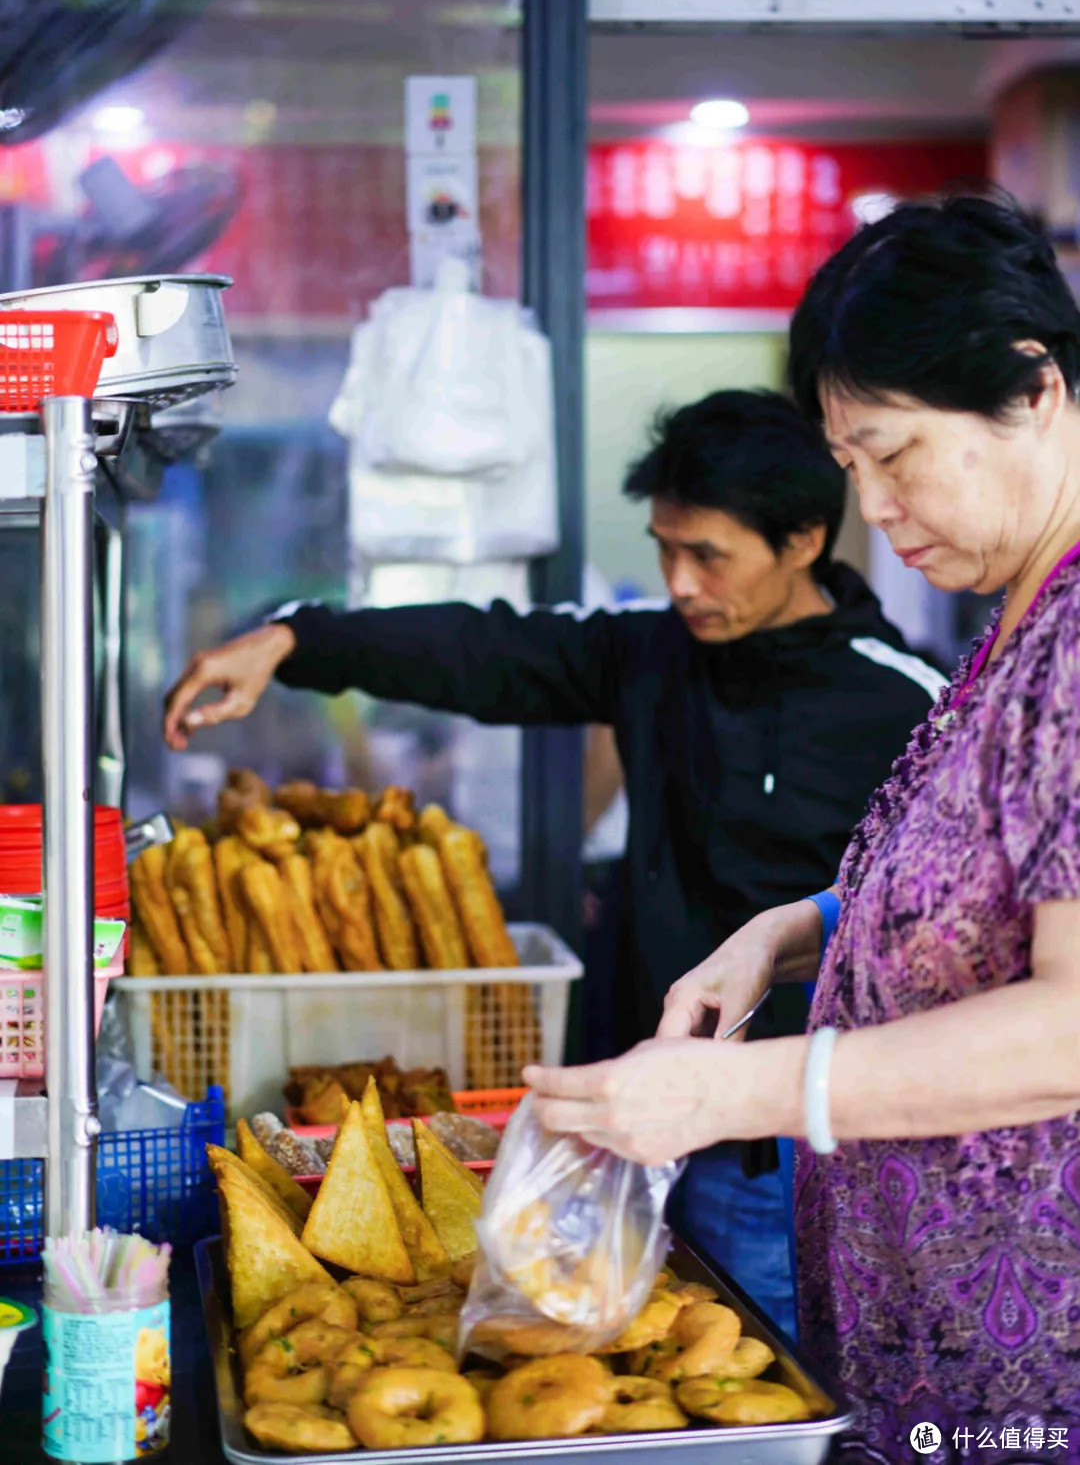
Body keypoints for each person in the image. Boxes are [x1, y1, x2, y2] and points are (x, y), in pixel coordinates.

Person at [162, 388, 941, 1336]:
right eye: (666, 548)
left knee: (752, 1359)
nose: (681, 581)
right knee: (602, 1347)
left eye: (709, 556)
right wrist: (295, 639)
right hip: (625, 1107)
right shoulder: (653, 651)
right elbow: (484, 647)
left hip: (773, 1151)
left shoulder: (903, 703)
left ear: (806, 538)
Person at [525, 195, 1080, 1457]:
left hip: (1032, 1357)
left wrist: (742, 1087)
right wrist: (788, 933)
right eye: (852, 465)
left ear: (1033, 387)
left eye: (896, 451)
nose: (874, 508)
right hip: (914, 1335)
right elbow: (990, 886)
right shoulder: (1012, 624)